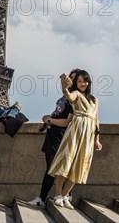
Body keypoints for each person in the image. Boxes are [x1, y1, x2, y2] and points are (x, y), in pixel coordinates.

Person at [48, 70, 102, 209]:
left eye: (85, 81)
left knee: (80, 165)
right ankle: (58, 195)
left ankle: (65, 195)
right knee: (66, 161)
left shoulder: (95, 100)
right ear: (76, 84)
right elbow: (70, 98)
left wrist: (97, 139)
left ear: (89, 82)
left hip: (88, 135)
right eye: (79, 81)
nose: (83, 83)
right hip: (76, 131)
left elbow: (96, 121)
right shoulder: (77, 94)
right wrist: (65, 88)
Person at [28, 69, 79, 208]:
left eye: (74, 78)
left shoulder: (75, 99)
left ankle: (54, 197)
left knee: (54, 168)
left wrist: (49, 120)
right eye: (70, 77)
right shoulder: (64, 97)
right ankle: (57, 196)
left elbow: (67, 122)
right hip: (52, 134)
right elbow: (57, 113)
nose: (71, 80)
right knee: (51, 168)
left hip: (61, 137)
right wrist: (45, 124)